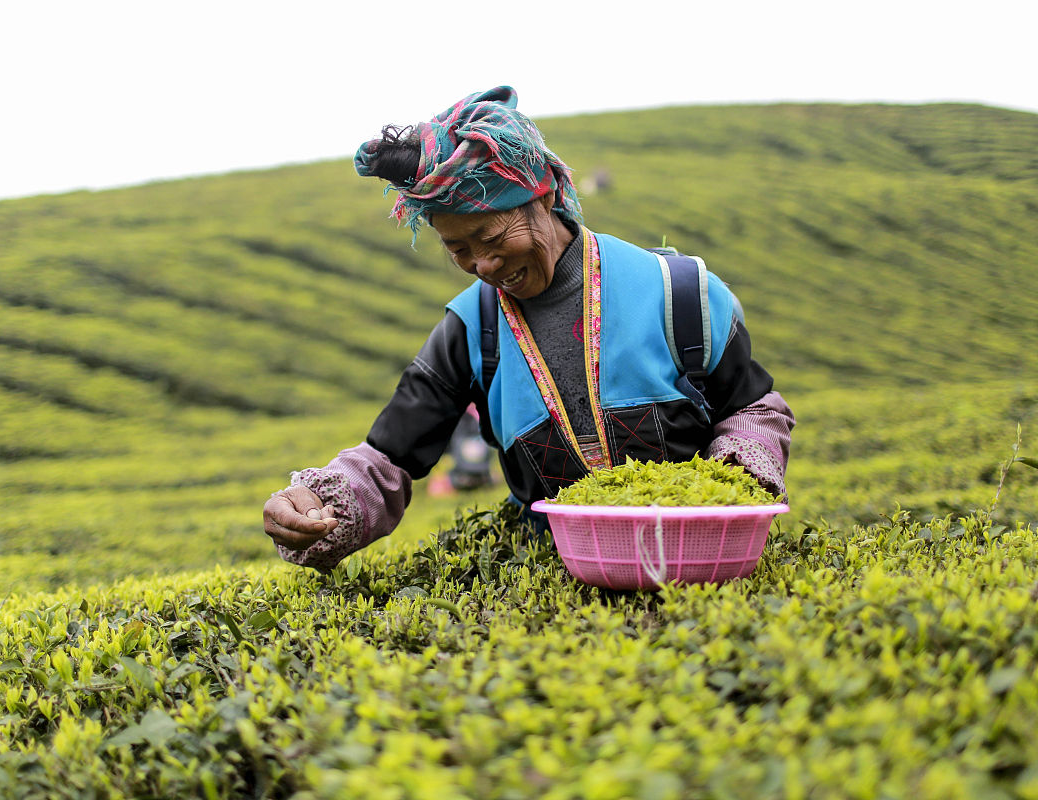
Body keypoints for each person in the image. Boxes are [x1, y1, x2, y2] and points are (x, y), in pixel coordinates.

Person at [263, 86, 795, 571]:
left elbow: (754, 407)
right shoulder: (470, 330)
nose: (484, 265)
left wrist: (734, 482)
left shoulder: (677, 294)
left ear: (541, 195)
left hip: (703, 569)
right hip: (554, 591)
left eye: (491, 236)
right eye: (459, 249)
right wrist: (321, 505)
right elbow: (389, 457)